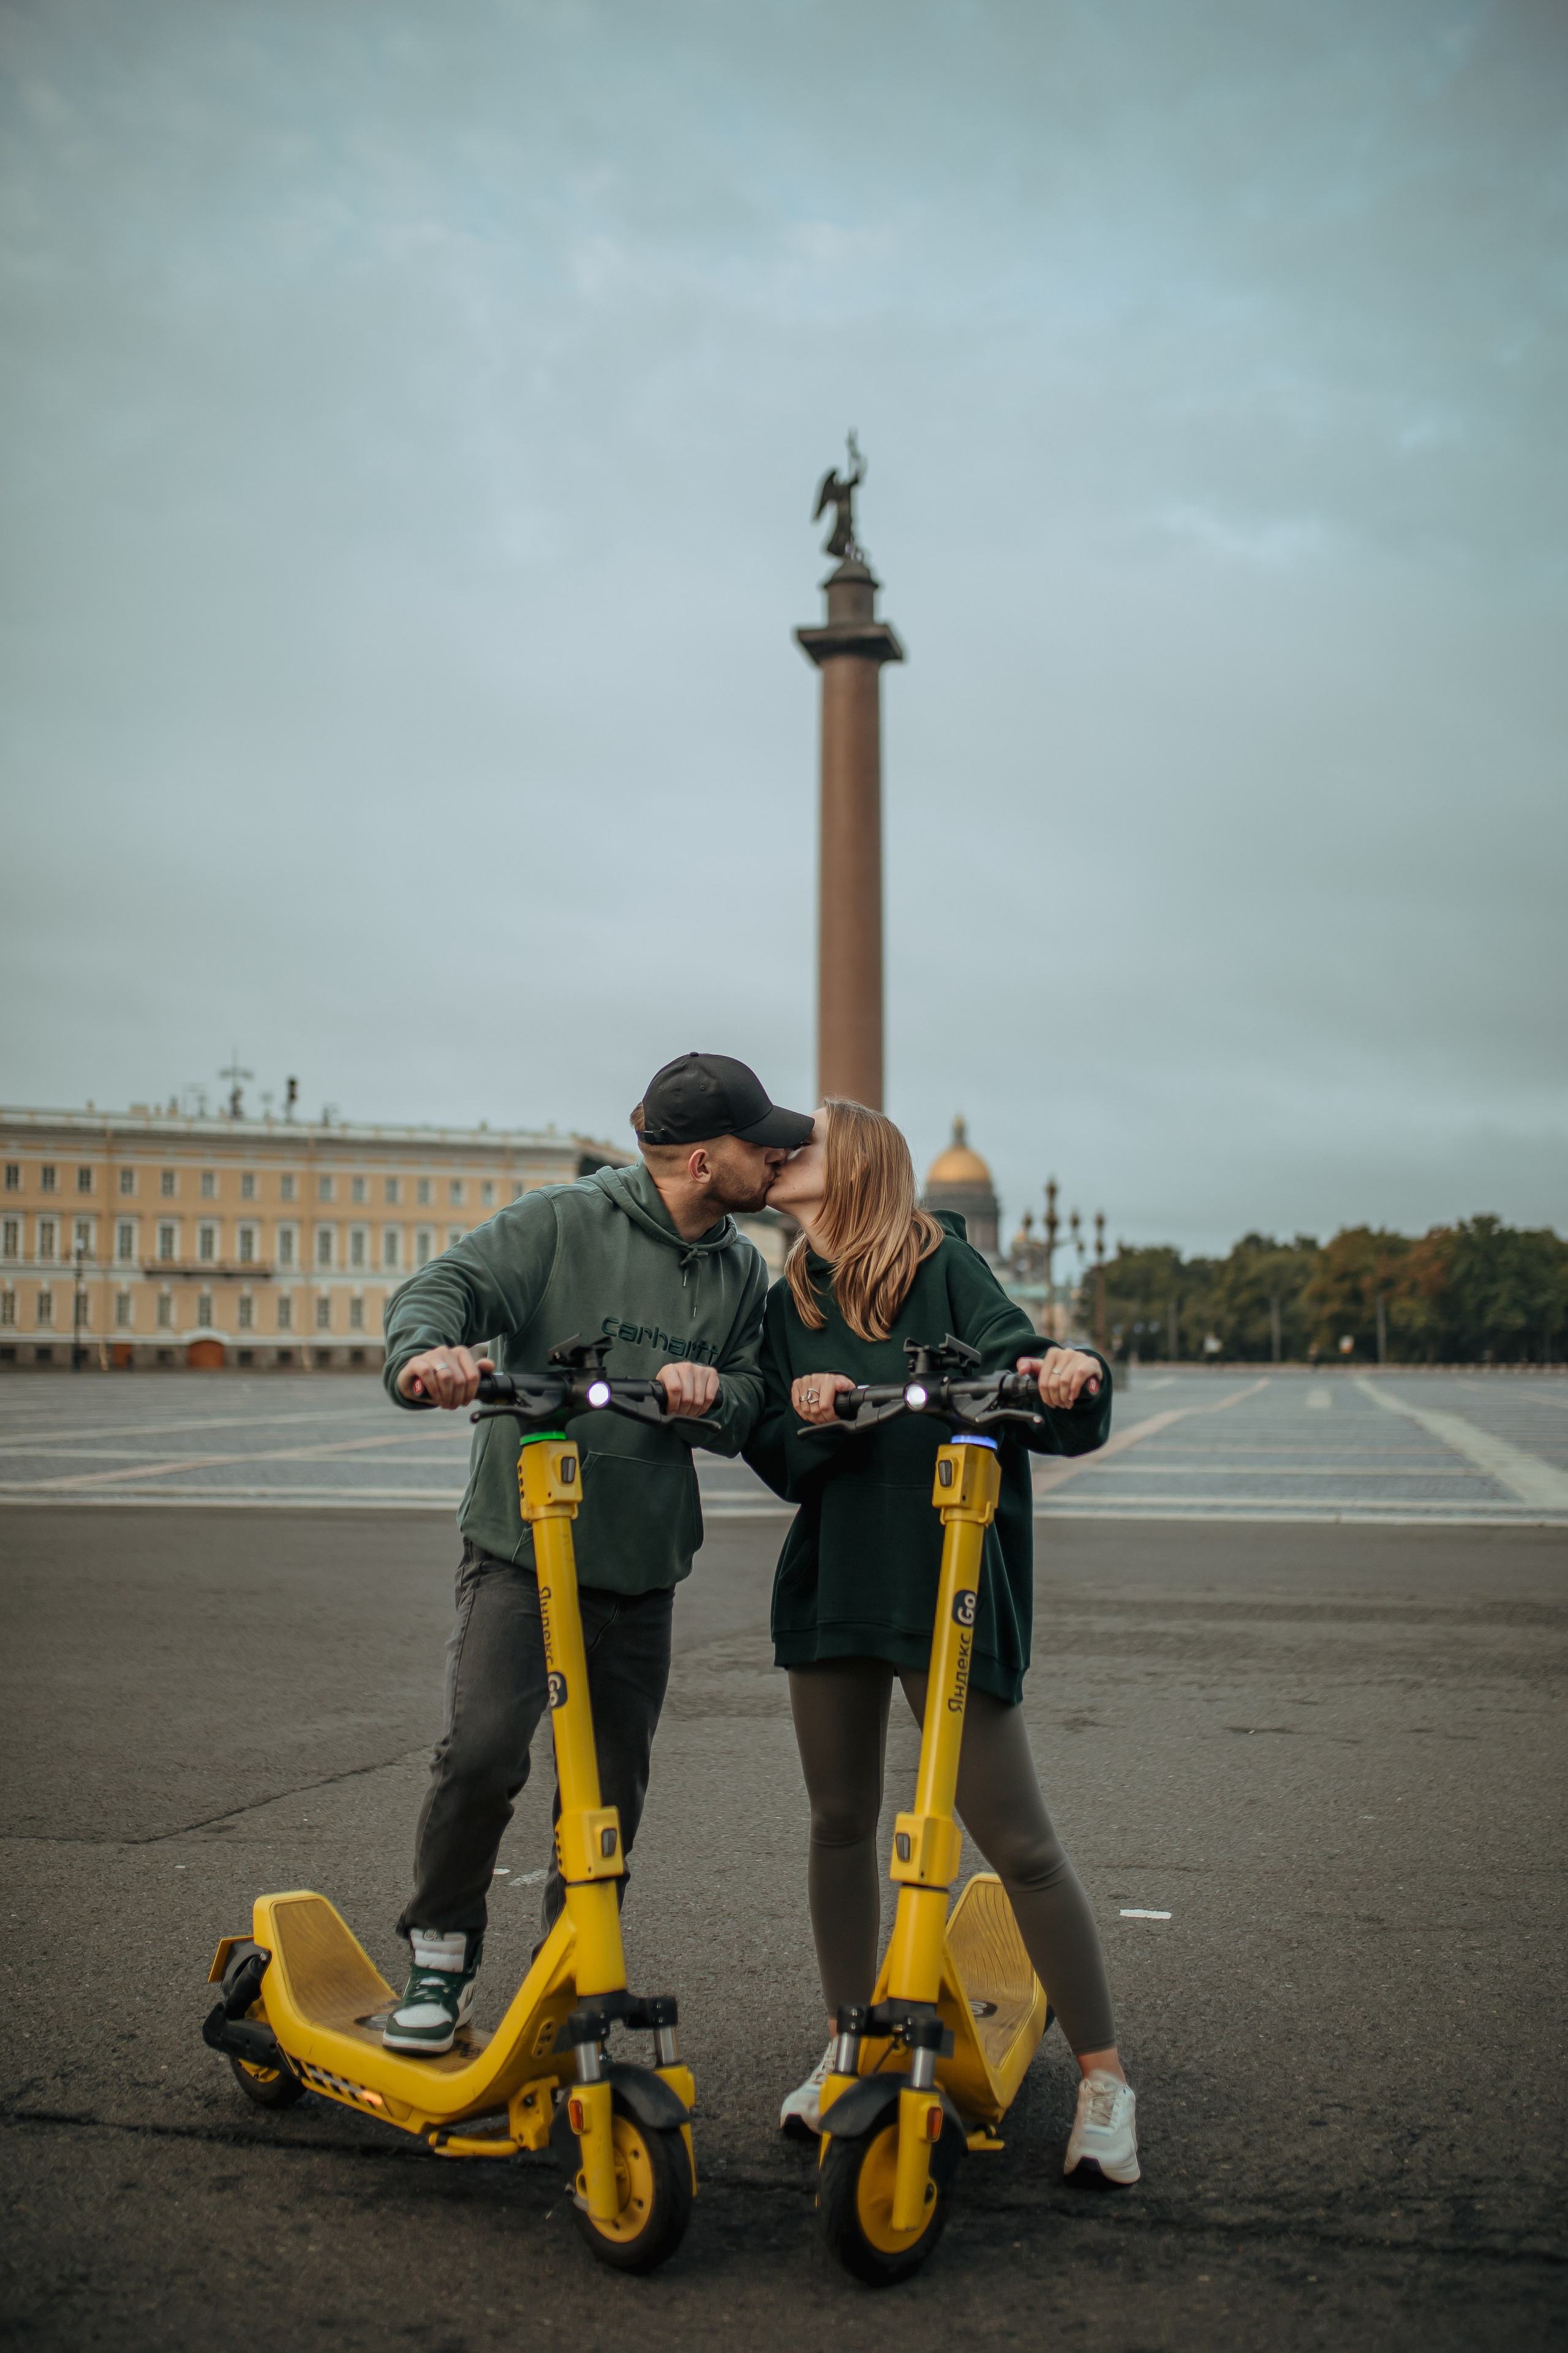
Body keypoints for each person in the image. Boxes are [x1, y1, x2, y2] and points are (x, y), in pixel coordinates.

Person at [379, 1052, 812, 2053]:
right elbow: (442, 1289)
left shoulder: (742, 1268)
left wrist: (717, 1395)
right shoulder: (561, 1222)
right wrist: (428, 1356)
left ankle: (567, 1975)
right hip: (522, 1551)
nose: (779, 1154)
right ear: (704, 1161)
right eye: (762, 1141)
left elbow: (749, 1395)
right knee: (483, 1754)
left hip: (639, 1567)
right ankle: (439, 1959)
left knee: (609, 1795)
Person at [745, 1100, 1140, 2185]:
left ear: (859, 1164)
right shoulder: (788, 1296)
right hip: (836, 1583)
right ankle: (850, 2039)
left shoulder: (946, 1267)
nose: (781, 1155)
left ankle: (1106, 2081)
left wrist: (1072, 1370)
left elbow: (1044, 1388)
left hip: (950, 1585)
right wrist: (809, 1415)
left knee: (1016, 1838)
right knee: (839, 1819)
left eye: (804, 1143)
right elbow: (775, 1452)